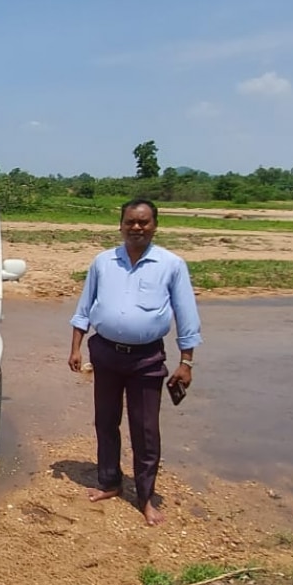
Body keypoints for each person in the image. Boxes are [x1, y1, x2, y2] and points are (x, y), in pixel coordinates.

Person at [67, 199, 202, 527]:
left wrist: (187, 362)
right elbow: (84, 308)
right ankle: (110, 482)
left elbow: (186, 316)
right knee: (106, 421)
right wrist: (76, 348)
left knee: (145, 429)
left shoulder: (171, 264)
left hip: (147, 358)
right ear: (121, 225)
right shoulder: (103, 261)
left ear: (155, 225)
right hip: (106, 354)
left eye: (143, 222)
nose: (137, 228)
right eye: (130, 222)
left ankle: (145, 498)